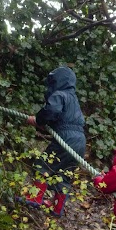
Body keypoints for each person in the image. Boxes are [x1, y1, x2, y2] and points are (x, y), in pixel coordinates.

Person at [19, 66, 86, 217]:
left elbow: (51, 111)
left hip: (66, 138)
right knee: (65, 173)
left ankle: (34, 198)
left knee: (43, 165)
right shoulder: (74, 99)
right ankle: (57, 207)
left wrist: (38, 120)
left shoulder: (59, 95)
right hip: (80, 140)